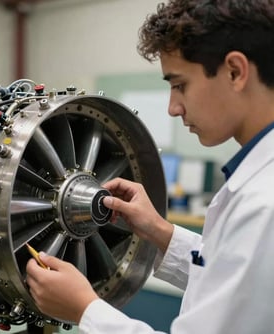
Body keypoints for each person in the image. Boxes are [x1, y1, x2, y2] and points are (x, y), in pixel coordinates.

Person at [26, 0, 274, 333]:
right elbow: (234, 283)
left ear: (235, 71)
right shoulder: (257, 182)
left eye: (180, 84)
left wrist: (85, 309)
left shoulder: (263, 204)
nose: (173, 107)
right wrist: (160, 232)